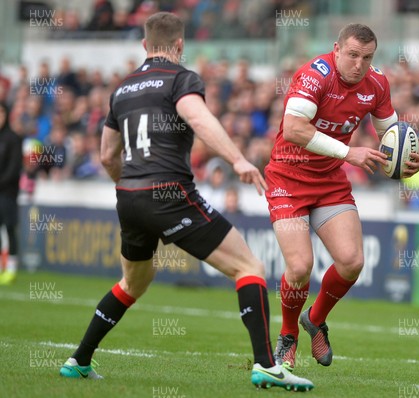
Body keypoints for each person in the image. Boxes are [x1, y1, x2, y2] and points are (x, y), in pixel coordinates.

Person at [59, 12, 313, 391]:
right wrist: (238, 159)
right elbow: (199, 119)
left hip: (129, 196)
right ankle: (266, 365)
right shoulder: (182, 78)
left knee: (133, 282)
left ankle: (78, 359)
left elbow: (108, 156)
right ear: (180, 45)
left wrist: (128, 189)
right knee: (249, 267)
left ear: (145, 46)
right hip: (169, 193)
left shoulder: (122, 89)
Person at [266, 23, 419, 370]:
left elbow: (392, 134)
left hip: (328, 181)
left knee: (352, 262)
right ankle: (288, 335)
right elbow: (294, 129)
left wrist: (415, 153)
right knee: (299, 267)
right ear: (336, 49)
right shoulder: (314, 75)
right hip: (288, 178)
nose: (359, 64)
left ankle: (316, 319)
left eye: (366, 57)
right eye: (352, 55)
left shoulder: (377, 83)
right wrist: (348, 152)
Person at [0, 103, 23, 285]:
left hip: (7, 193)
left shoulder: (13, 138)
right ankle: (2, 266)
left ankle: (12, 268)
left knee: (9, 228)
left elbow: (14, 169)